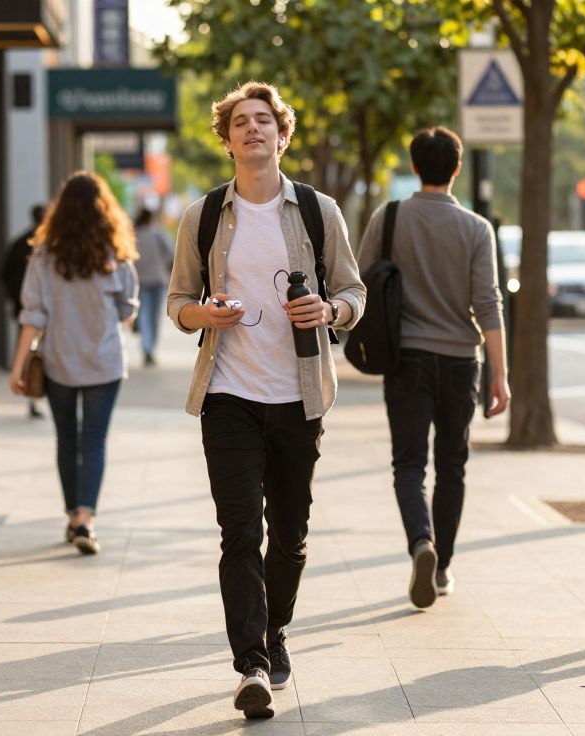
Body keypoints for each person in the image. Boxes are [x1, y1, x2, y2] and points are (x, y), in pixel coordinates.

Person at [166, 81, 366, 719]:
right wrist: (204, 313)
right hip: (228, 393)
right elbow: (176, 304)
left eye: (263, 121)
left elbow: (353, 292)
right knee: (238, 532)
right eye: (240, 123)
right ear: (226, 142)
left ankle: (275, 630)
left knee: (290, 537)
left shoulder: (317, 211)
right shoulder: (202, 217)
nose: (252, 130)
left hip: (298, 395)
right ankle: (251, 663)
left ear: (282, 135)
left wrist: (328, 309)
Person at [355, 127, 509, 609]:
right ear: (457, 168)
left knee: (408, 464)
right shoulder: (476, 228)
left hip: (407, 359)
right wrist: (500, 376)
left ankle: (421, 540)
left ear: (416, 167)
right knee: (452, 466)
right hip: (462, 362)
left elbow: (360, 280)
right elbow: (488, 304)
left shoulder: (390, 217)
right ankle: (441, 568)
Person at [9, 172, 138, 556]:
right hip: (105, 363)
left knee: (67, 439)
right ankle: (85, 517)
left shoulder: (45, 256)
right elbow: (127, 313)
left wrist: (17, 368)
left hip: (58, 363)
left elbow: (33, 315)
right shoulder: (116, 256)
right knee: (94, 439)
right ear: (105, 210)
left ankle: (72, 516)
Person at [1, 204, 46, 418]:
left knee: (28, 350)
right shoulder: (49, 247)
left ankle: (31, 393)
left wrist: (15, 299)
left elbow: (3, 273)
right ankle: (33, 395)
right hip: (45, 314)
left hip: (24, 309)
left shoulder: (20, 243)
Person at [133, 207, 174, 366]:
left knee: (143, 315)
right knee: (154, 317)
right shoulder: (158, 234)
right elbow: (172, 252)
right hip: (158, 280)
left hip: (140, 281)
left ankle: (146, 347)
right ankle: (150, 348)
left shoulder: (134, 236)